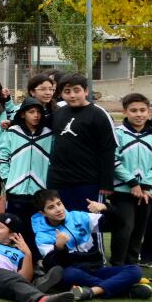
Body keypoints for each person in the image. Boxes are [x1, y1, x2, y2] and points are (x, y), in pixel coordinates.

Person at [31, 190, 149, 301]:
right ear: (43, 213)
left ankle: (92, 291)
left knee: (135, 270)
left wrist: (106, 208)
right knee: (69, 275)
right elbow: (53, 266)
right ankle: (125, 288)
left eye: (59, 203)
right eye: (51, 207)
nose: (58, 209)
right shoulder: (42, 235)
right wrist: (59, 247)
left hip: (96, 268)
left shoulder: (78, 216)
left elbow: (118, 225)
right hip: (72, 272)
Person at [46, 74, 116, 212]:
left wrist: (106, 183)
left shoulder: (98, 114)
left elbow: (108, 150)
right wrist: (12, 123)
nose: (72, 95)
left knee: (88, 223)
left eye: (76, 90)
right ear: (61, 94)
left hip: (87, 181)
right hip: (59, 181)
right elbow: (36, 123)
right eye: (67, 91)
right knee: (62, 223)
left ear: (86, 91)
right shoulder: (59, 113)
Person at [109, 93, 152, 267]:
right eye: (133, 111)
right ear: (125, 112)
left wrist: (145, 185)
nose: (138, 114)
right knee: (125, 228)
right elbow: (113, 160)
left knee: (139, 230)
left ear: (149, 112)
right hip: (123, 191)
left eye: (142, 110)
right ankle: (117, 264)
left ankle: (132, 264)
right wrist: (132, 183)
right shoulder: (118, 133)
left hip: (147, 192)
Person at [0, 99, 53, 234]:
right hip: (16, 190)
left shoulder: (49, 134)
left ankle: (35, 254)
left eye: (39, 112)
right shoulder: (12, 132)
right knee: (14, 228)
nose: (36, 115)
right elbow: (3, 156)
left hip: (40, 191)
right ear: (22, 114)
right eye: (31, 112)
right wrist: (6, 178)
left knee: (37, 229)